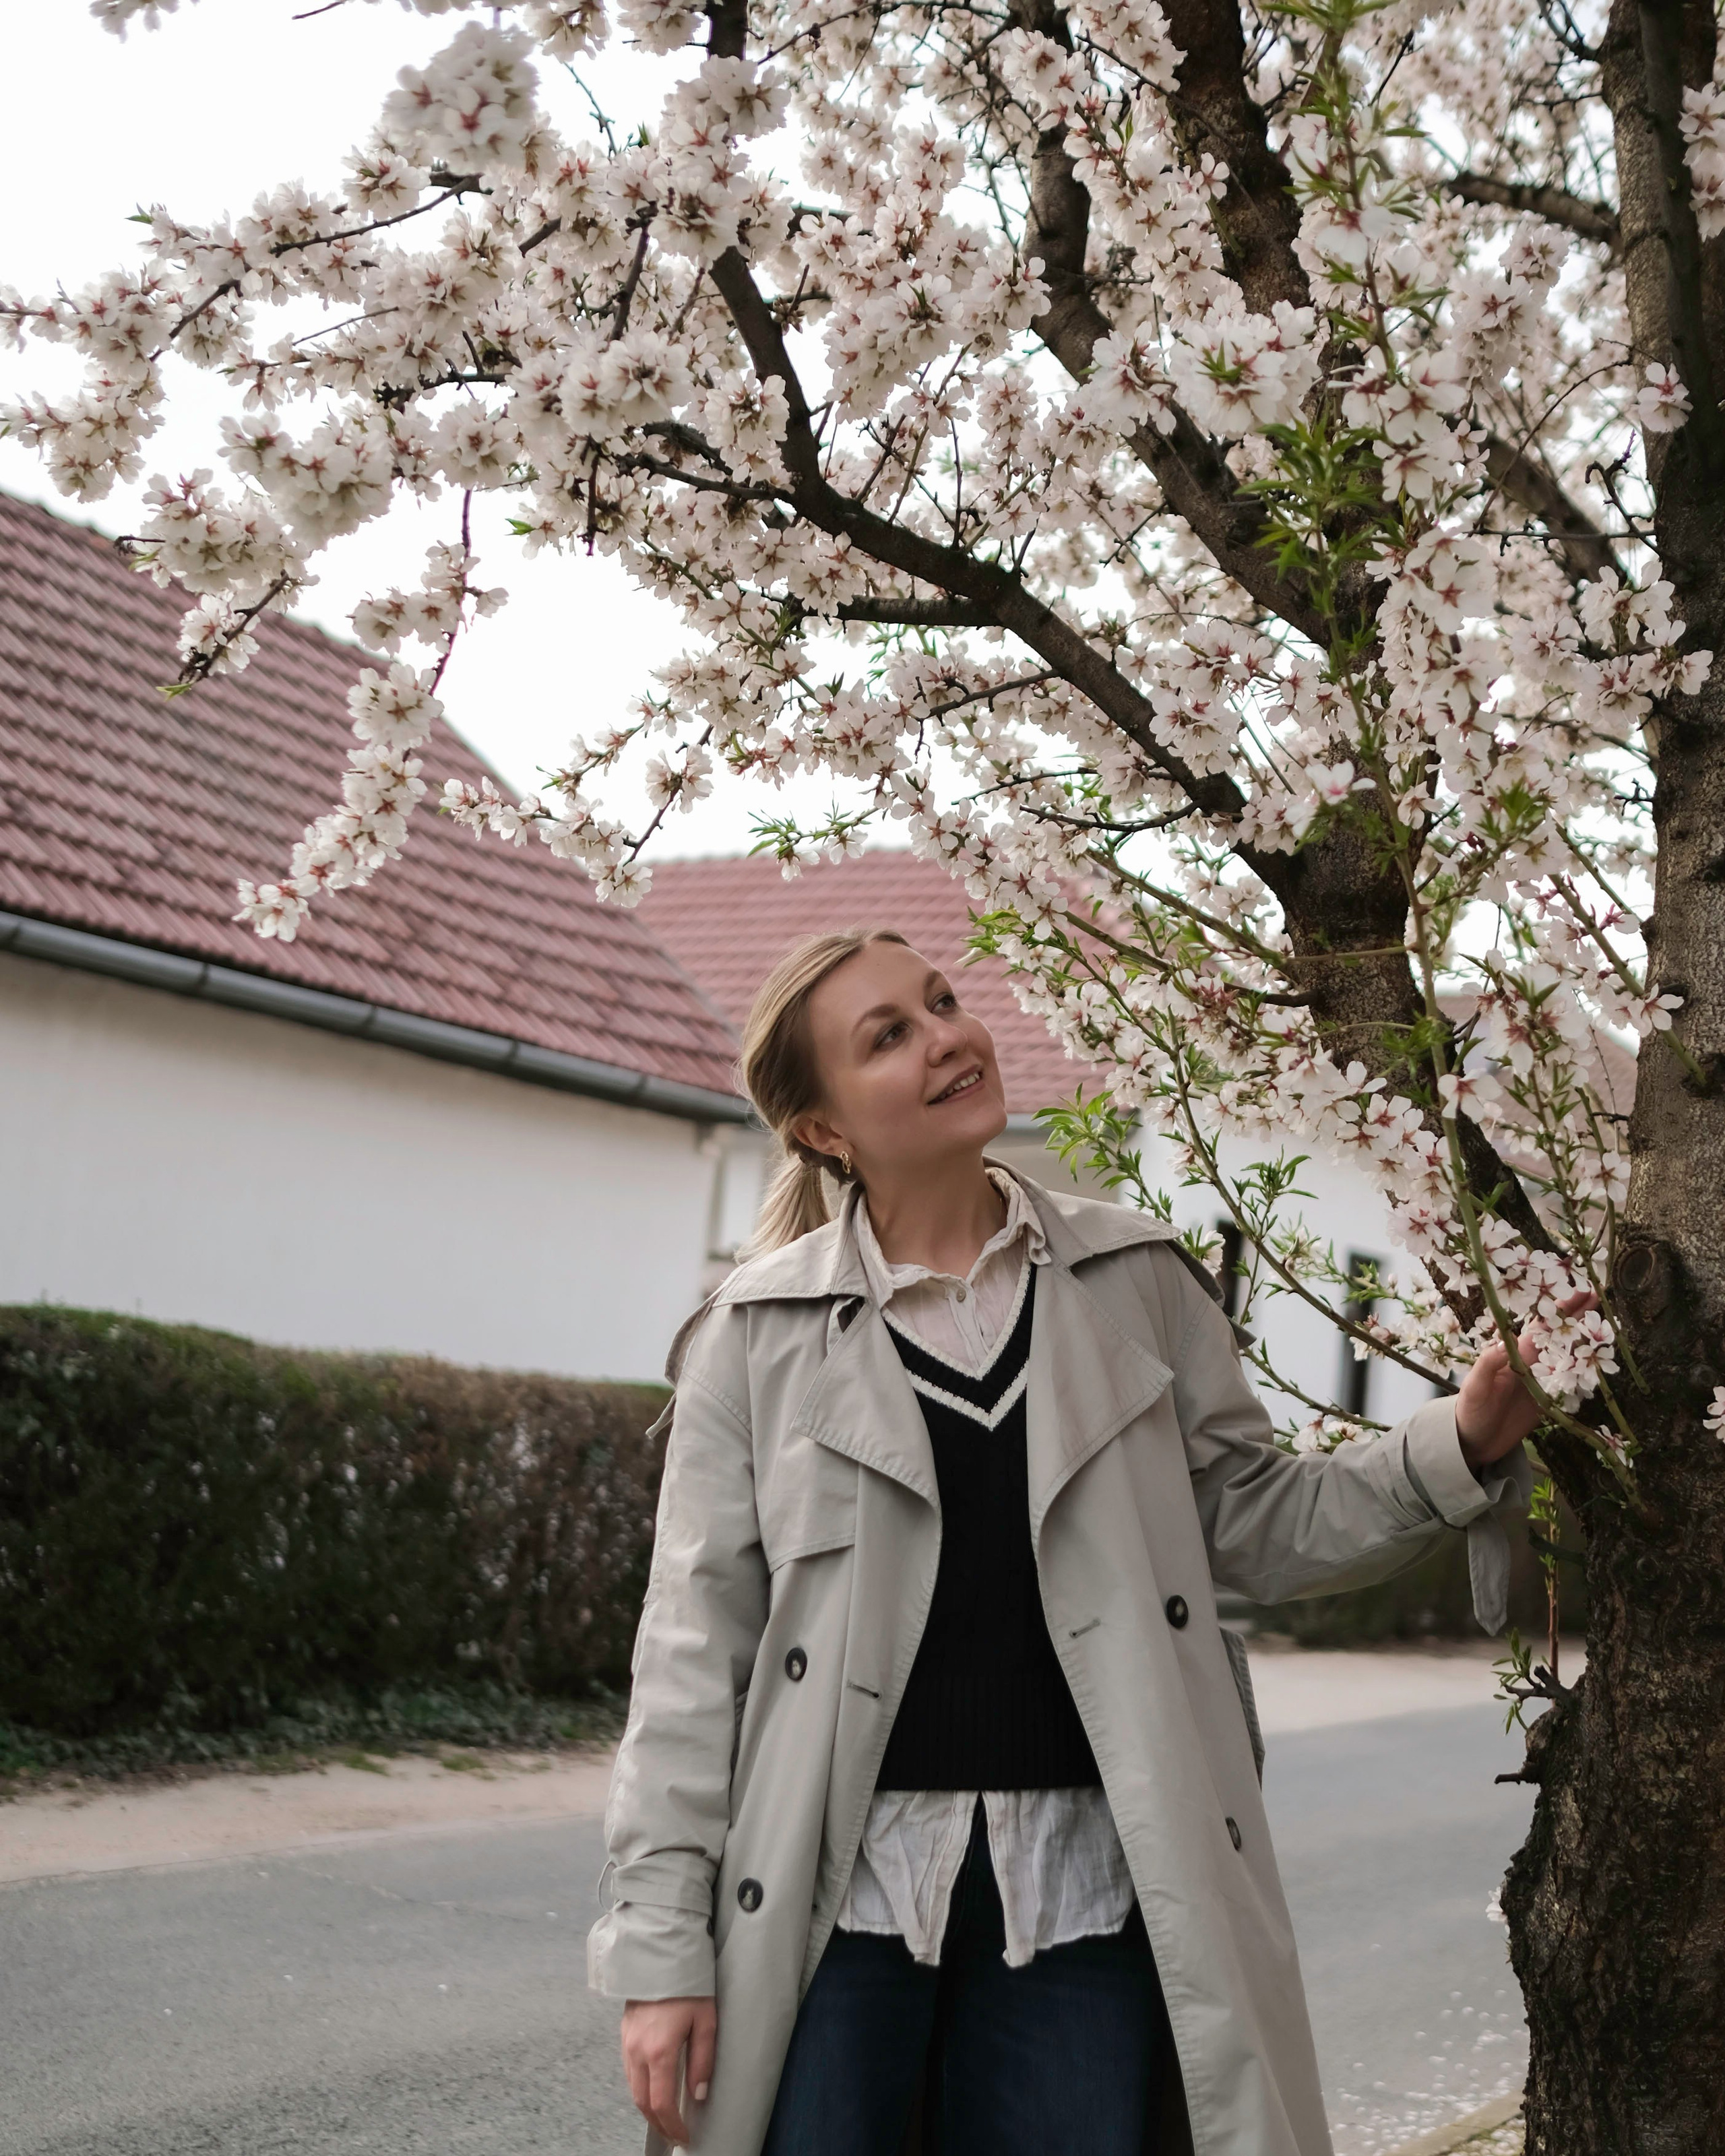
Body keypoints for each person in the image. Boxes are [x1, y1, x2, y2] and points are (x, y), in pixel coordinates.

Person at [588, 927, 1555, 2156]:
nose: (946, 1036)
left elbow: (1252, 1524)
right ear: (823, 1130)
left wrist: (1456, 1444)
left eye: (942, 1002)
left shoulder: (1135, 1280)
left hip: (1088, 1900)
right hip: (837, 1903)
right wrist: (663, 1950)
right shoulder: (753, 1338)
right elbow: (687, 1668)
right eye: (889, 1035)